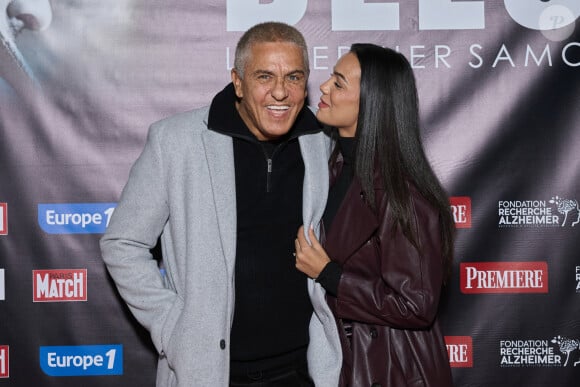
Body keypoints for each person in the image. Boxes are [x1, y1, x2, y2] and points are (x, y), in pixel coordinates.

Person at [100, 22, 342, 387]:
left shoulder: (320, 142)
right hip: (211, 374)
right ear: (238, 81)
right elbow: (123, 243)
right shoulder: (176, 141)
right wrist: (171, 325)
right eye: (264, 76)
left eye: (293, 77)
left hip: (302, 371)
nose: (280, 91)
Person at [294, 43, 455, 387]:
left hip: (391, 367)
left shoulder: (403, 192)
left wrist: (330, 275)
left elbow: (416, 303)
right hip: (343, 358)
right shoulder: (334, 167)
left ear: (371, 103)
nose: (323, 87)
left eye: (338, 83)